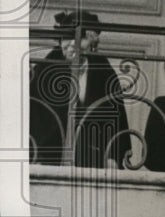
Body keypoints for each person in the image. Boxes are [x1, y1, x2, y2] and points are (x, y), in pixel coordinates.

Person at [28, 10, 130, 168]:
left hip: (89, 159)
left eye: (80, 38)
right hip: (49, 158)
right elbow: (34, 112)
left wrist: (113, 157)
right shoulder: (47, 66)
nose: (71, 44)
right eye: (66, 38)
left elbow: (116, 116)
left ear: (92, 43)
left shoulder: (103, 69)